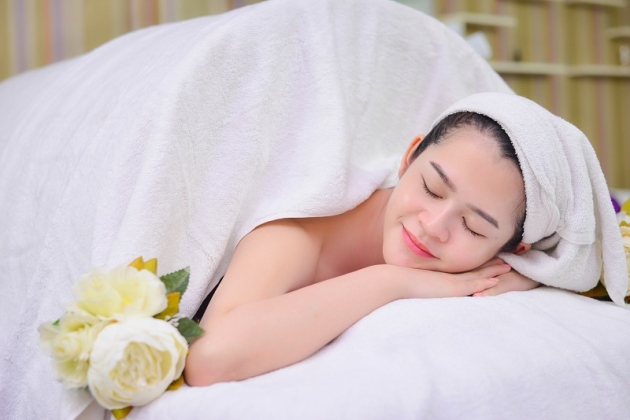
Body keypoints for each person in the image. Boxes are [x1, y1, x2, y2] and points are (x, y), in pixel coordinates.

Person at [184, 111, 541, 387]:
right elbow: (209, 360)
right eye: (431, 189)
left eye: (473, 227)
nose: (434, 226)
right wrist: (390, 281)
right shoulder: (296, 229)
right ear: (408, 158)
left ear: (514, 249)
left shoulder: (498, 267)